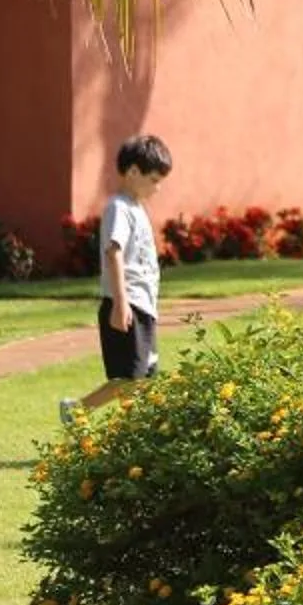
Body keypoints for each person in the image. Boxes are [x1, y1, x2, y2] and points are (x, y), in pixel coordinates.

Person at [70, 134, 171, 414]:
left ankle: (133, 436)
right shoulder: (119, 208)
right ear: (133, 172)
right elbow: (113, 253)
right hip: (128, 305)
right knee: (129, 380)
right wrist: (120, 302)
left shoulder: (137, 209)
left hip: (144, 306)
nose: (158, 188)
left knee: (146, 378)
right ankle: (78, 410)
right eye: (154, 180)